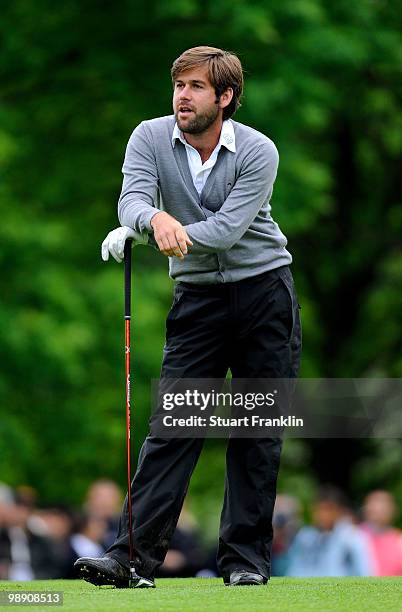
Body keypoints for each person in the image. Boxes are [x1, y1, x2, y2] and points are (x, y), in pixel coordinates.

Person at [75, 45, 301, 588]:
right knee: (174, 427)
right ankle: (132, 559)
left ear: (225, 98)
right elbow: (130, 199)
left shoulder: (258, 150)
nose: (183, 96)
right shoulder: (148, 137)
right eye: (179, 85)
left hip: (264, 294)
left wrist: (169, 233)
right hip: (198, 301)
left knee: (256, 430)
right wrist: (151, 216)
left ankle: (244, 562)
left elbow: (226, 230)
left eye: (197, 87)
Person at [287, 486, 373, 577]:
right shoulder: (304, 537)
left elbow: (363, 571)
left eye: (329, 509)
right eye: (319, 509)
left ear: (339, 511)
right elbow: (295, 567)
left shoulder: (352, 537)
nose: (323, 514)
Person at [360, 490, 402, 575]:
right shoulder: (355, 536)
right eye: (374, 504)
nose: (378, 508)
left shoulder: (399, 539)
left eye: (383, 505)